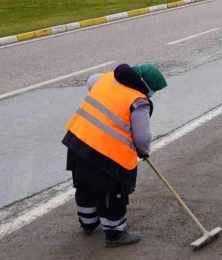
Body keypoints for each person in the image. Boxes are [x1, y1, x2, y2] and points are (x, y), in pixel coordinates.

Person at [62, 63, 168, 247]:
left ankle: (88, 224)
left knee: (85, 185)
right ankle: (115, 234)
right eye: (153, 90)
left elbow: (91, 82)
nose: (152, 95)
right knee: (111, 193)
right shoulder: (138, 101)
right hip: (107, 154)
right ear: (145, 85)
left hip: (78, 140)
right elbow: (142, 137)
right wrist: (143, 152)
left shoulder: (107, 78)